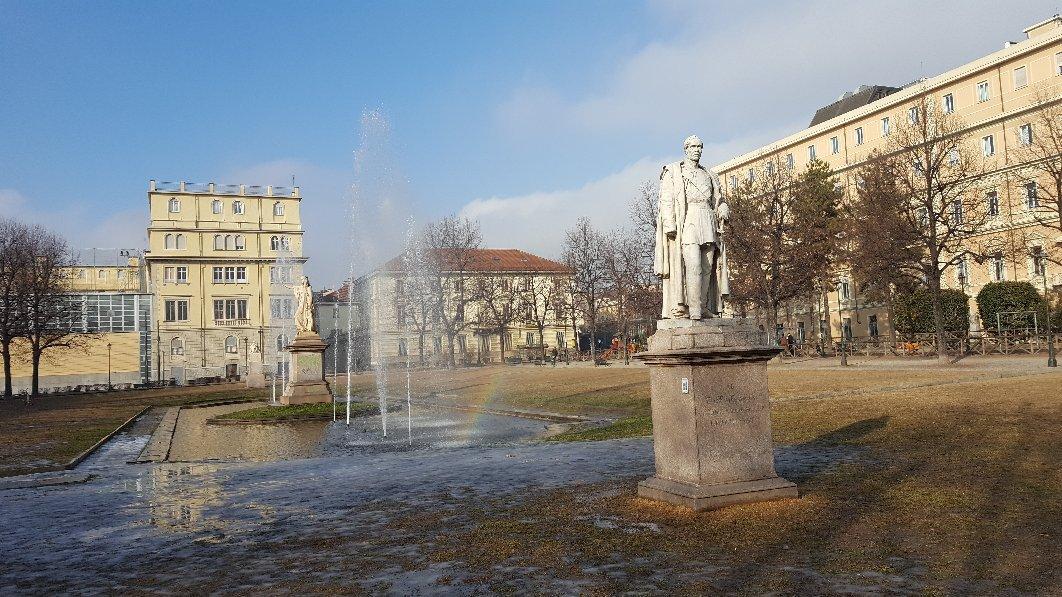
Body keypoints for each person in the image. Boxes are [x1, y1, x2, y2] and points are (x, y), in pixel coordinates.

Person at [655, 135, 730, 319]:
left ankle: (703, 306)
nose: (697, 150)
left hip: (708, 219)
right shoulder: (674, 172)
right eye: (693, 146)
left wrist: (723, 207)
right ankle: (694, 308)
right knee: (693, 265)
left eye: (699, 147)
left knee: (707, 267)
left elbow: (718, 199)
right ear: (686, 149)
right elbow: (666, 199)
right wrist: (669, 224)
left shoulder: (710, 175)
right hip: (688, 220)